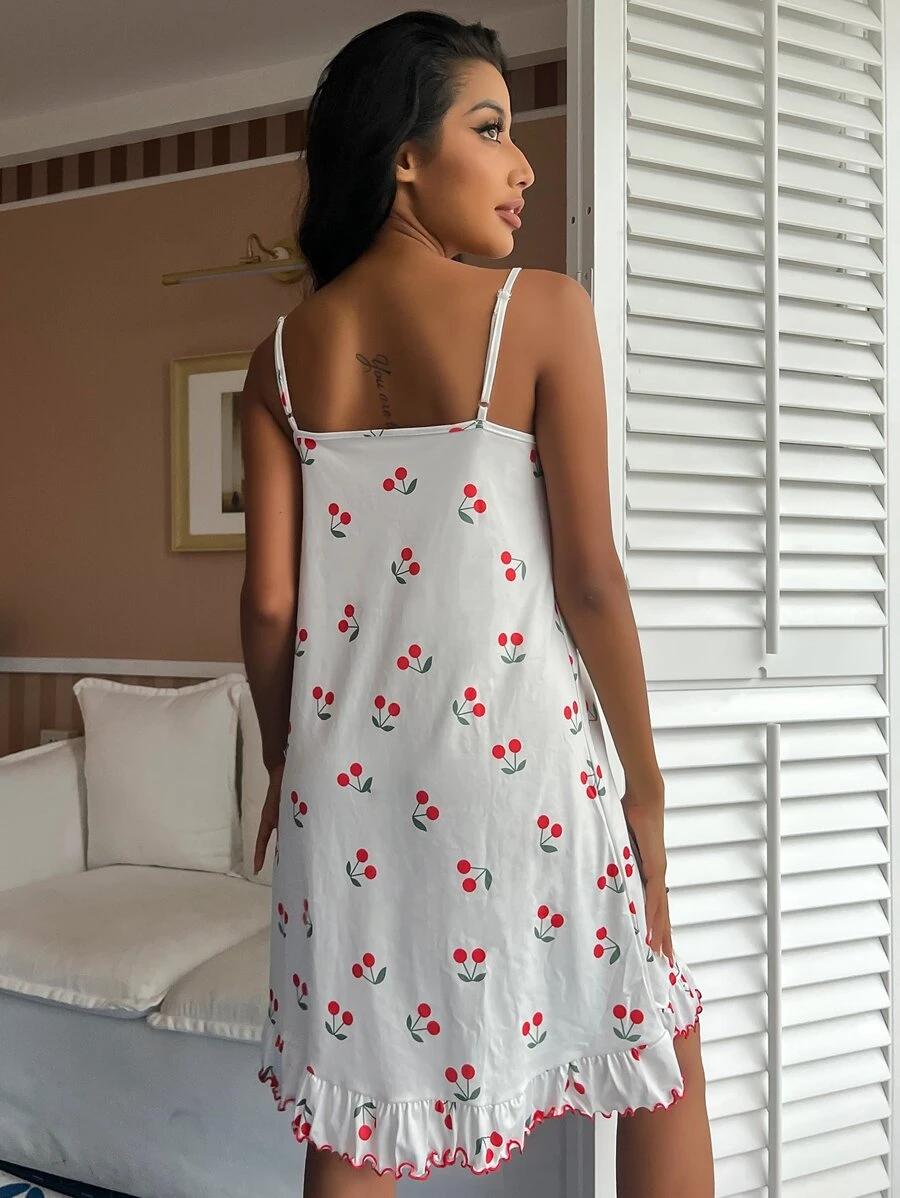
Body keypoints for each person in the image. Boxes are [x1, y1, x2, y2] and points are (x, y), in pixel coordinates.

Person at [239, 10, 714, 1196]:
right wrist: (646, 791)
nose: (524, 166)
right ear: (406, 156)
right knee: (657, 1038)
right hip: (518, 765)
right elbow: (591, 579)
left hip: (346, 788)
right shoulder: (538, 310)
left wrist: (284, 761)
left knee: (360, 1101)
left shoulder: (279, 358)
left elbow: (270, 606)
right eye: (491, 128)